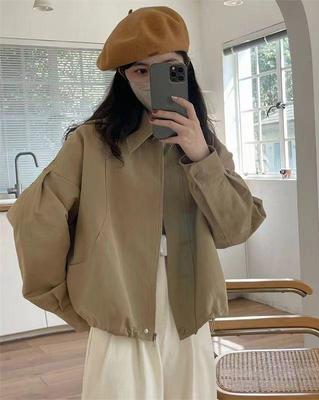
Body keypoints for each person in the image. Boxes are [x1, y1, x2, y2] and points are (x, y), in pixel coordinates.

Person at [7, 5, 267, 400]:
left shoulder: (205, 143)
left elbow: (238, 227)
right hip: (119, 305)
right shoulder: (91, 142)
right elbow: (35, 216)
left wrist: (200, 155)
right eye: (140, 70)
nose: (151, 80)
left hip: (190, 307)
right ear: (124, 78)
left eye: (168, 68)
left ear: (185, 69)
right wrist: (65, 297)